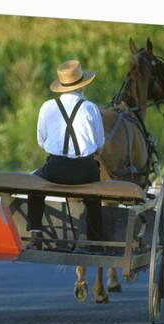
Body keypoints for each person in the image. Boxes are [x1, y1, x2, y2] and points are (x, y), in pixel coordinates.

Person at [26, 59, 105, 250]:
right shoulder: (91, 108)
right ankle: (95, 242)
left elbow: (42, 141)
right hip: (84, 171)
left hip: (55, 170)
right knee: (94, 198)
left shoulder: (46, 107)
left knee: (34, 186)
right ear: (82, 85)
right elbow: (99, 145)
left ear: (61, 86)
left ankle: (35, 235)